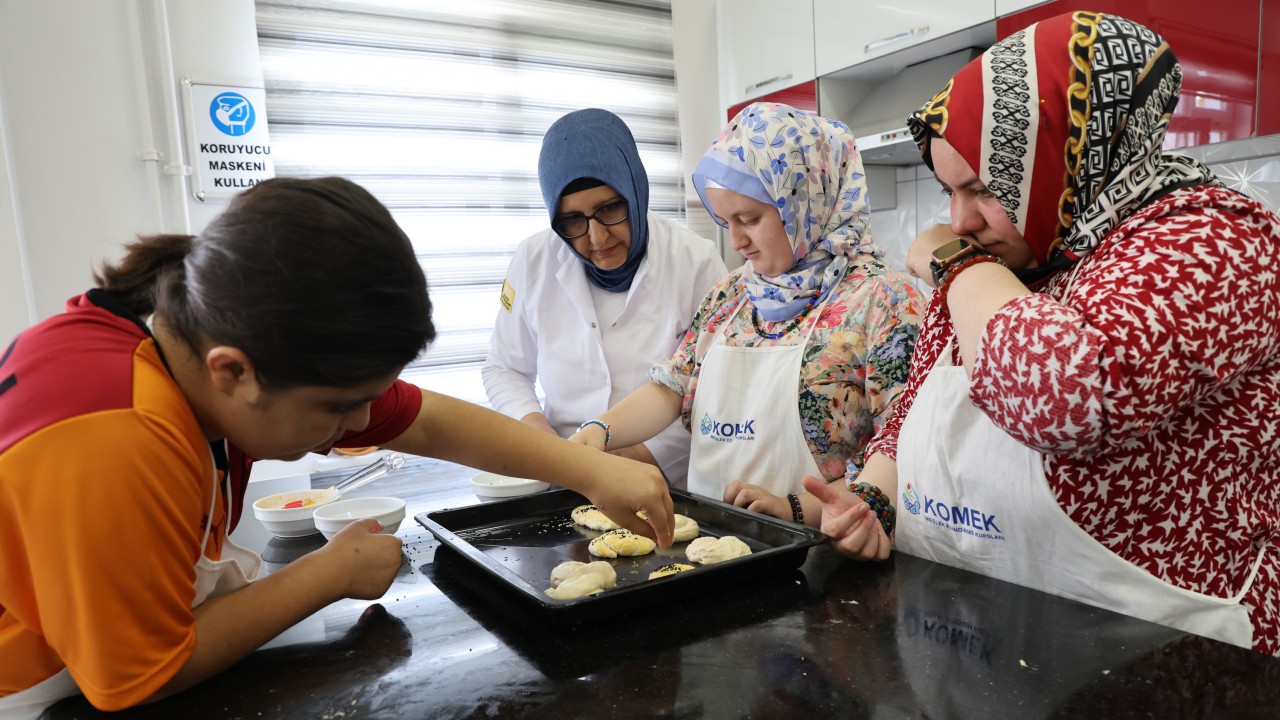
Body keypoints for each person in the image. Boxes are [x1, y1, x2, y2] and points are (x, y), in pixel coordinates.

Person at [0, 177, 676, 715]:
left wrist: (588, 470)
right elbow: (138, 675)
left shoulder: (206, 327)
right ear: (232, 372)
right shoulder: (114, 437)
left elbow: (429, 422)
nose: (358, 425)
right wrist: (329, 572)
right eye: (338, 408)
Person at [804, 11, 1280, 654]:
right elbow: (915, 409)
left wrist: (956, 264)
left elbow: (1061, 399)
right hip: (977, 638)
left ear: (1072, 156)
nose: (959, 220)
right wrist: (874, 502)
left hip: (1172, 653)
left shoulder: (1213, 238)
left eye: (982, 189)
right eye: (948, 192)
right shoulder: (1012, 261)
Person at [571, 102, 926, 526]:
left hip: (827, 553)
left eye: (750, 219)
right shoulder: (733, 293)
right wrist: (598, 431)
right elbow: (672, 387)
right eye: (726, 222)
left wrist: (796, 509)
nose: (737, 241)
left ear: (805, 202)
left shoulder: (885, 300)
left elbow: (905, 447)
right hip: (714, 546)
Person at [482, 108, 726, 486]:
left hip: (665, 479)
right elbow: (504, 368)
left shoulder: (695, 262)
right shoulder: (533, 259)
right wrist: (547, 448)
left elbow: (713, 389)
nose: (597, 238)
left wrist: (630, 462)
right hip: (561, 476)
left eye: (609, 209)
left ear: (634, 189)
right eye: (572, 221)